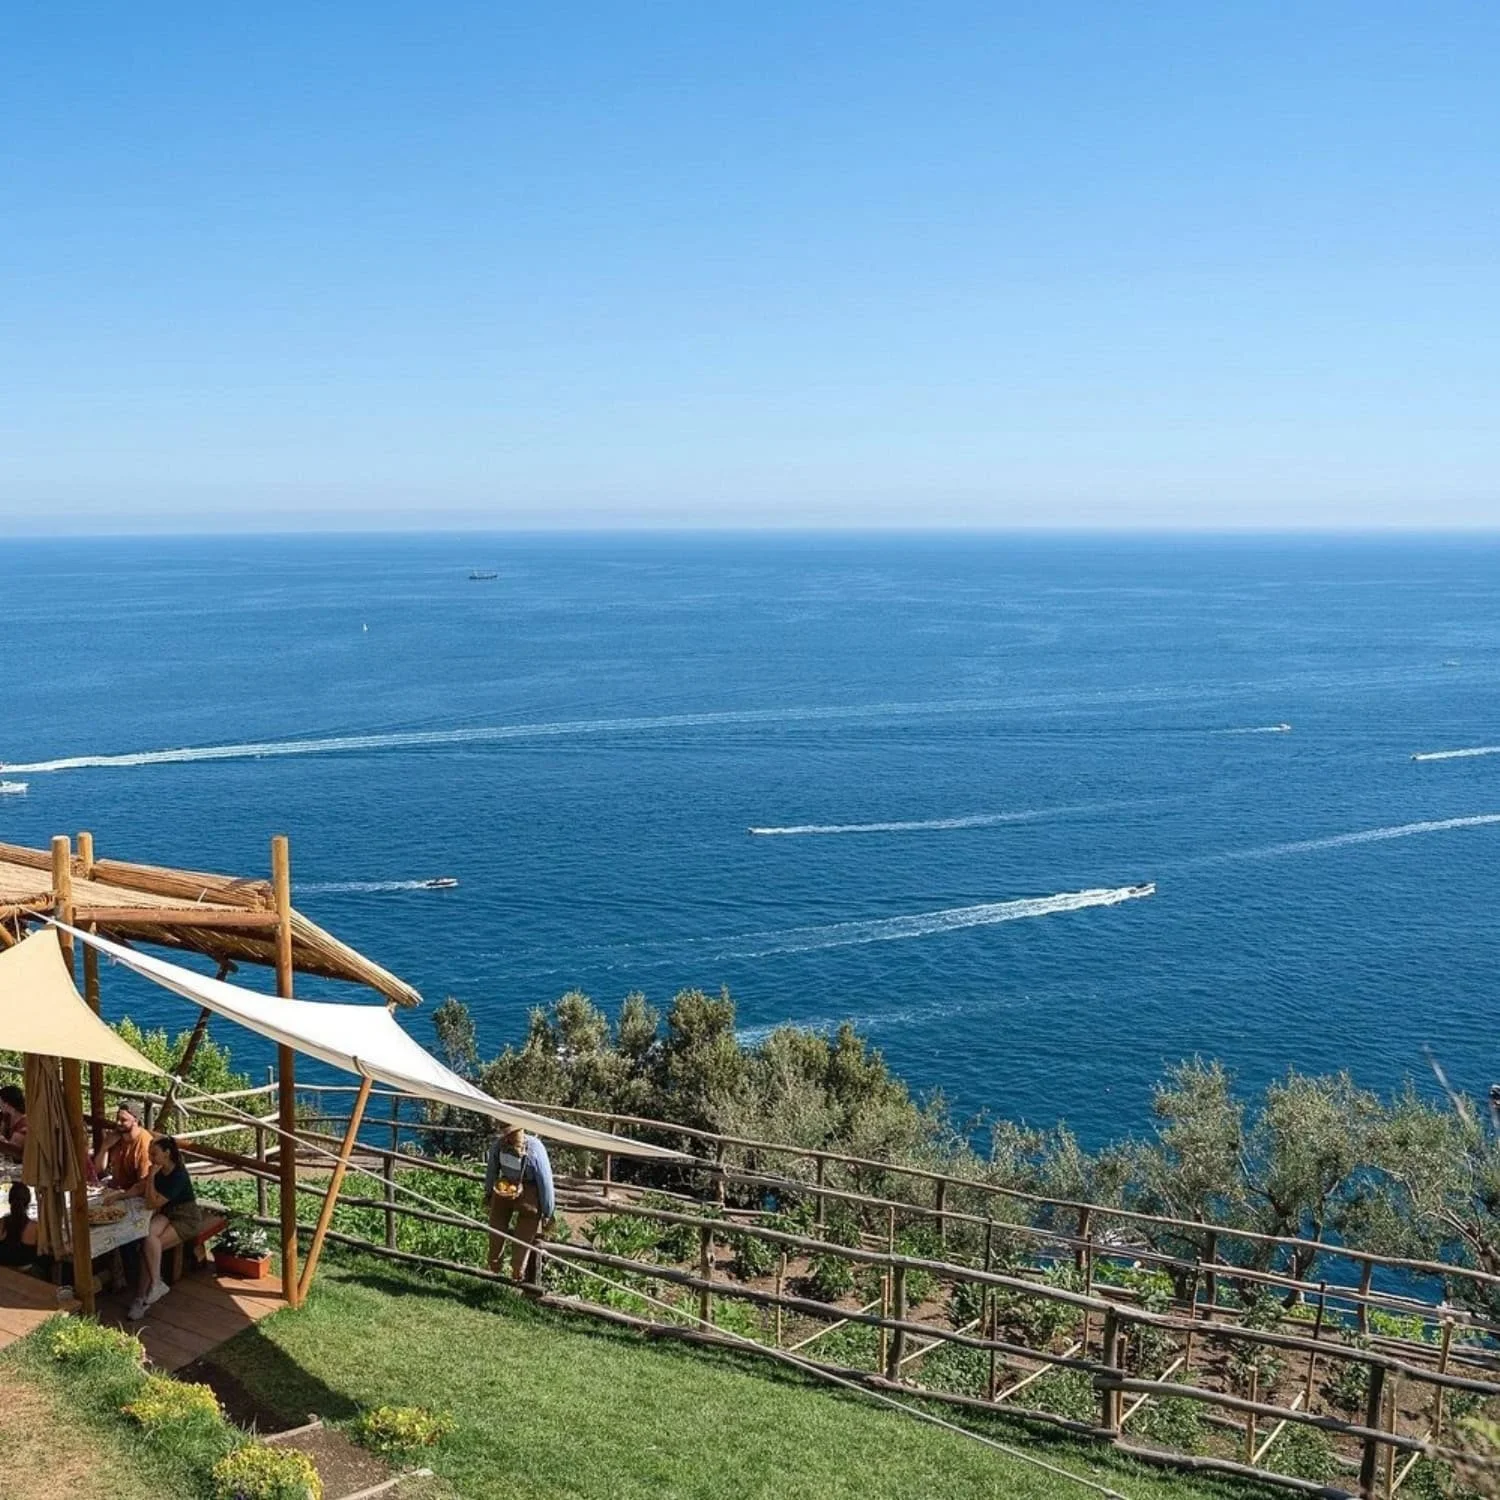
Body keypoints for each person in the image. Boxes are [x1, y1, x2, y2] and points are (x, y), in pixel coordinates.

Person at [122, 1136, 203, 1320]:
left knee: (148, 1247)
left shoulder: (178, 1176)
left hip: (186, 1218)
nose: (150, 1158)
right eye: (150, 1153)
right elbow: (139, 1187)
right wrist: (119, 1197)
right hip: (168, 1214)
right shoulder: (159, 1170)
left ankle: (142, 1299)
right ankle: (154, 1285)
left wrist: (151, 1178)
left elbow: (152, 1203)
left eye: (154, 1154)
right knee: (147, 1238)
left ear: (167, 1154)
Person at [484, 1124, 554, 1285]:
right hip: (515, 1192)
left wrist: (488, 1193)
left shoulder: (503, 1146)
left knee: (512, 1231)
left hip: (518, 1193)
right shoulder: (534, 1149)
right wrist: (548, 1211)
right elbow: (545, 1182)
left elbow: (491, 1171)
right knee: (502, 1229)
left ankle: (512, 1270)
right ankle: (501, 1266)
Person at [94, 1100, 153, 1189]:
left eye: (123, 1120)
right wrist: (104, 1147)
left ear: (135, 1120)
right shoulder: (116, 1137)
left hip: (133, 1192)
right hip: (115, 1186)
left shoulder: (144, 1143)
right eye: (117, 1119)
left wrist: (119, 1196)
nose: (118, 1123)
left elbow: (144, 1183)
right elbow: (98, 1169)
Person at [0, 1182, 38, 1268]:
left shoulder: (1, 1223)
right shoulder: (35, 1228)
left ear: (10, 1200)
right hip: (27, 1276)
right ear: (28, 1202)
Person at [0, 1085, 27, 1162]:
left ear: (7, 1104)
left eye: (0, 1102)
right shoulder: (6, 1117)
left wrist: (3, 1142)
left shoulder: (24, 1123)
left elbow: (15, 1152)